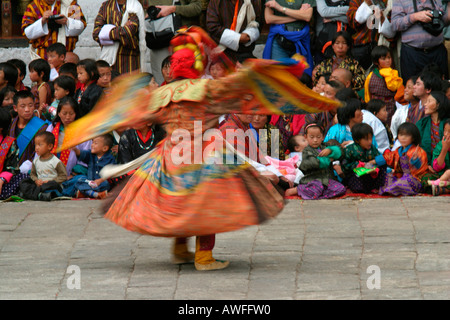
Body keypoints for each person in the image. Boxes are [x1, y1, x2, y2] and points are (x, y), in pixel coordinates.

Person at [57, 26, 339, 271]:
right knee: (206, 205)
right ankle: (204, 256)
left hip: (170, 153)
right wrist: (265, 70)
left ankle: (181, 251)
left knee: (178, 203)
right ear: (196, 65)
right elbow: (240, 87)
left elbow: (136, 114)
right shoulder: (207, 90)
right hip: (204, 152)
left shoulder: (159, 95)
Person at [145, 0, 202, 84]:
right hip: (157, 41)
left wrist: (174, 9)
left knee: (183, 83)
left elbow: (197, 7)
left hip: (180, 43)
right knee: (160, 83)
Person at [391, 0, 449, 83]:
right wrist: (414, 17)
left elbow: (442, 21)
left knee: (440, 88)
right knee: (414, 90)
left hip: (437, 52)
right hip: (412, 54)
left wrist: (448, 16)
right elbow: (395, 25)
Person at [285, 123, 346, 199]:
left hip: (327, 180)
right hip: (312, 180)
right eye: (312, 137)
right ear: (306, 137)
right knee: (317, 187)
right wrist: (329, 159)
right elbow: (312, 162)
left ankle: (319, 194)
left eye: (318, 137)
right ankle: (298, 189)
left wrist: (331, 150)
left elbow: (340, 152)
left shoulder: (326, 146)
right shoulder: (306, 151)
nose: (315, 140)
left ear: (323, 137)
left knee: (341, 189)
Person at [93, 0, 149, 75]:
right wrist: (122, 29)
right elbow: (96, 33)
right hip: (109, 59)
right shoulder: (105, 6)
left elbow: (129, 31)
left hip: (130, 59)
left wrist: (106, 32)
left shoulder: (134, 6)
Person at [262, 0, 315, 75]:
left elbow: (307, 16)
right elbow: (269, 19)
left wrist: (280, 8)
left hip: (300, 40)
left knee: (301, 77)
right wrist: (297, 16)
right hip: (279, 41)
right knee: (279, 76)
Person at [21, 0, 87, 60]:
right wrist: (42, 20)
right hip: (43, 55)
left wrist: (67, 21)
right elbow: (26, 33)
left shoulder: (71, 3)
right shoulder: (33, 6)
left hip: (65, 55)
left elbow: (81, 26)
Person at [379, 122, 428, 196]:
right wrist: (374, 161)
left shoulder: (418, 151)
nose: (403, 138)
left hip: (414, 179)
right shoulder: (397, 150)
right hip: (400, 177)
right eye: (401, 135)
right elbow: (388, 157)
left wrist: (415, 161)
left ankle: (392, 189)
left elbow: (420, 168)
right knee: (389, 176)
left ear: (413, 137)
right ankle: (392, 189)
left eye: (407, 135)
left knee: (404, 181)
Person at [46, 96, 91, 176]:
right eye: (64, 113)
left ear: (76, 114)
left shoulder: (82, 132)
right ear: (59, 113)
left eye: (71, 114)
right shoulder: (52, 128)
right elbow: (43, 148)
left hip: (71, 175)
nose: (67, 117)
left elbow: (86, 156)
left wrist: (73, 174)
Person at [63, 134, 116, 199]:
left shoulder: (110, 158)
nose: (92, 145)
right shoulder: (91, 155)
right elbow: (82, 154)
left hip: (101, 183)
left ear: (104, 148)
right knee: (79, 180)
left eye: (95, 143)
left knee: (106, 184)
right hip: (89, 181)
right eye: (92, 142)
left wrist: (100, 180)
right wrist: (75, 150)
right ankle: (96, 194)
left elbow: (111, 173)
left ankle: (87, 193)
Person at [19, 131, 67, 201]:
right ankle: (39, 195)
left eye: (40, 145)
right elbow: (33, 174)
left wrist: (50, 181)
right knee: (23, 182)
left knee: (51, 186)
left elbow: (63, 176)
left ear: (49, 146)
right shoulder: (36, 161)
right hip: (39, 185)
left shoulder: (56, 161)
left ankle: (32, 194)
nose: (36, 148)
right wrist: (36, 180)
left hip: (50, 185)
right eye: (36, 145)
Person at [364, 45, 404, 126]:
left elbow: (393, 87)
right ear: (376, 62)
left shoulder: (393, 73)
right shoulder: (371, 75)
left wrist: (388, 75)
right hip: (375, 106)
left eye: (389, 57)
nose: (388, 61)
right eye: (383, 58)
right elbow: (367, 92)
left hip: (389, 106)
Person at [342, 123, 387, 193]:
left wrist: (374, 168)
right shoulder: (349, 150)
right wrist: (359, 166)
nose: (370, 141)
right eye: (366, 139)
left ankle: (375, 187)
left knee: (383, 166)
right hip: (357, 176)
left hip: (370, 175)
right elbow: (345, 165)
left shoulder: (372, 148)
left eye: (371, 138)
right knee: (355, 180)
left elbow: (378, 158)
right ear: (357, 140)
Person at [9, 90, 49, 169]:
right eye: (23, 106)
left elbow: (40, 154)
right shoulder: (11, 124)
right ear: (15, 108)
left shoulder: (42, 127)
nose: (27, 109)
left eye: (30, 105)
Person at [347, 0, 388, 70]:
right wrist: (367, 4)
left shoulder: (386, 1)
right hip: (362, 47)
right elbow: (354, 21)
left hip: (383, 46)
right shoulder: (356, 1)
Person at [0, 108, 27, 200]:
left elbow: (12, 167)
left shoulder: (8, 143)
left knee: (23, 177)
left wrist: (2, 179)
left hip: (2, 180)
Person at [314, 0, 350, 64]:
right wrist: (345, 10)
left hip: (344, 44)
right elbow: (324, 12)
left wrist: (332, 19)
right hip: (323, 43)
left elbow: (352, 17)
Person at [390, 75, 421, 141]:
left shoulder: (424, 110)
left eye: (409, 87)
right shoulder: (401, 111)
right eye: (405, 87)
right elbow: (394, 129)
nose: (405, 90)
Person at [427, 118, 450, 195]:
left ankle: (442, 189)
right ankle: (442, 186)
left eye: (449, 131)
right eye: (445, 131)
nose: (446, 134)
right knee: (425, 178)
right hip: (442, 175)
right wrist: (444, 149)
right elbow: (436, 167)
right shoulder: (440, 145)